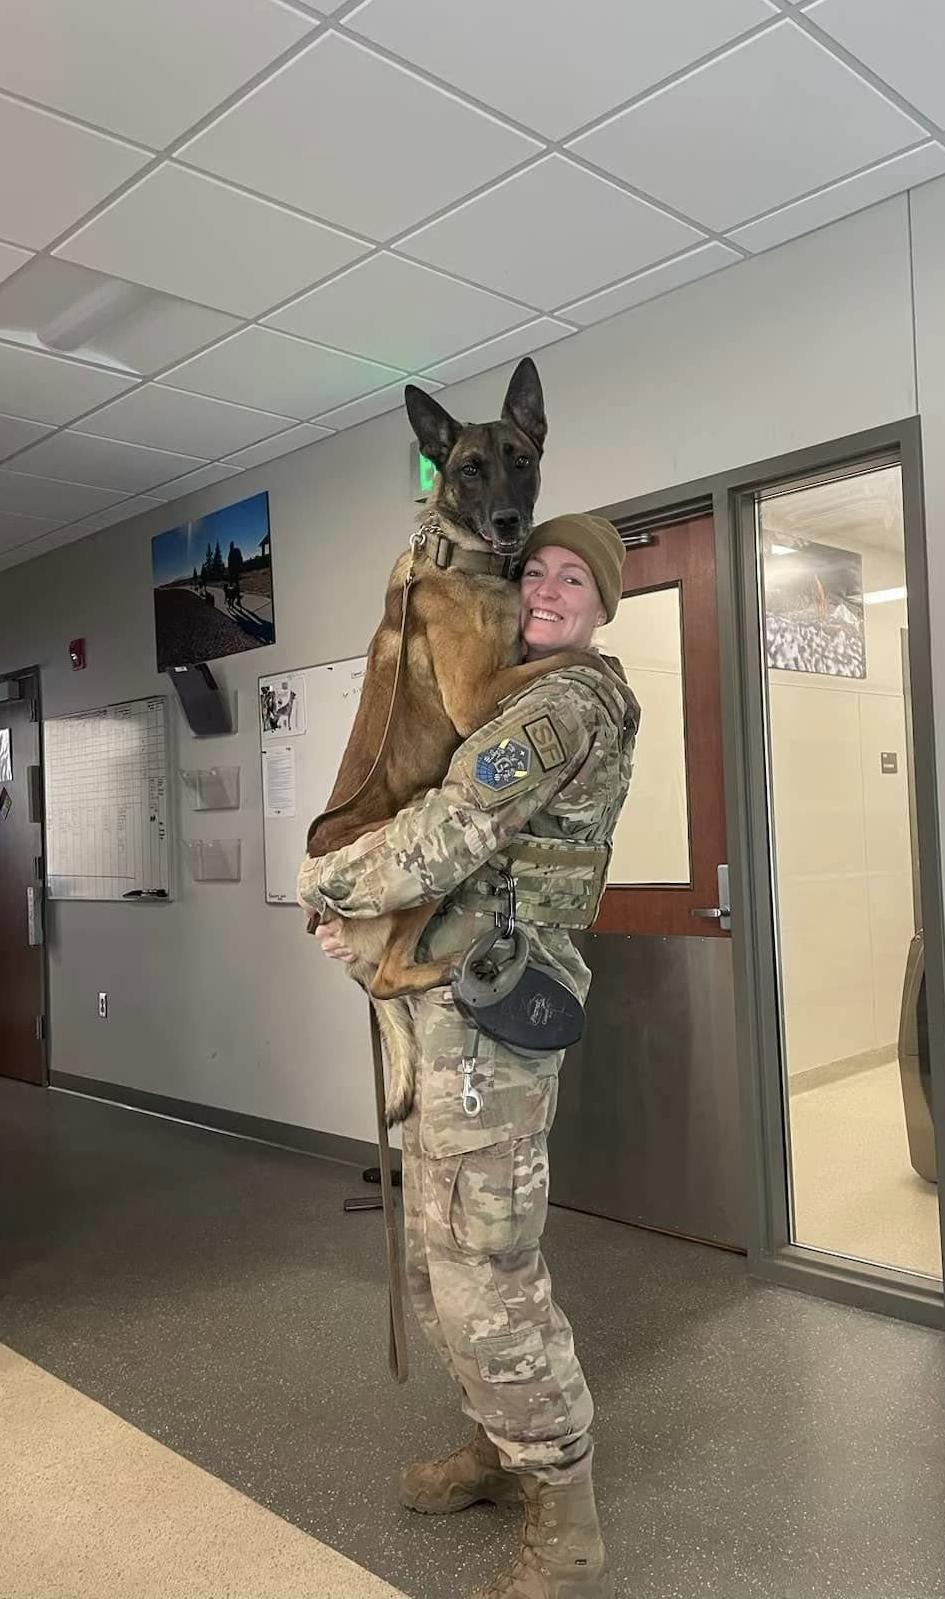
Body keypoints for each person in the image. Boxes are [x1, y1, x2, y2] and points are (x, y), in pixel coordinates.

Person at [298, 514, 639, 1599]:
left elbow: (449, 832)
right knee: (433, 1257)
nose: (544, 587)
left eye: (571, 576)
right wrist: (369, 933)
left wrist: (328, 885)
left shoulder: (563, 704)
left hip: (490, 1031)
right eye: (532, 568)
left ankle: (564, 1522)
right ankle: (497, 1449)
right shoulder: (505, 690)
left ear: (603, 601)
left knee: (485, 1272)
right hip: (445, 1011)